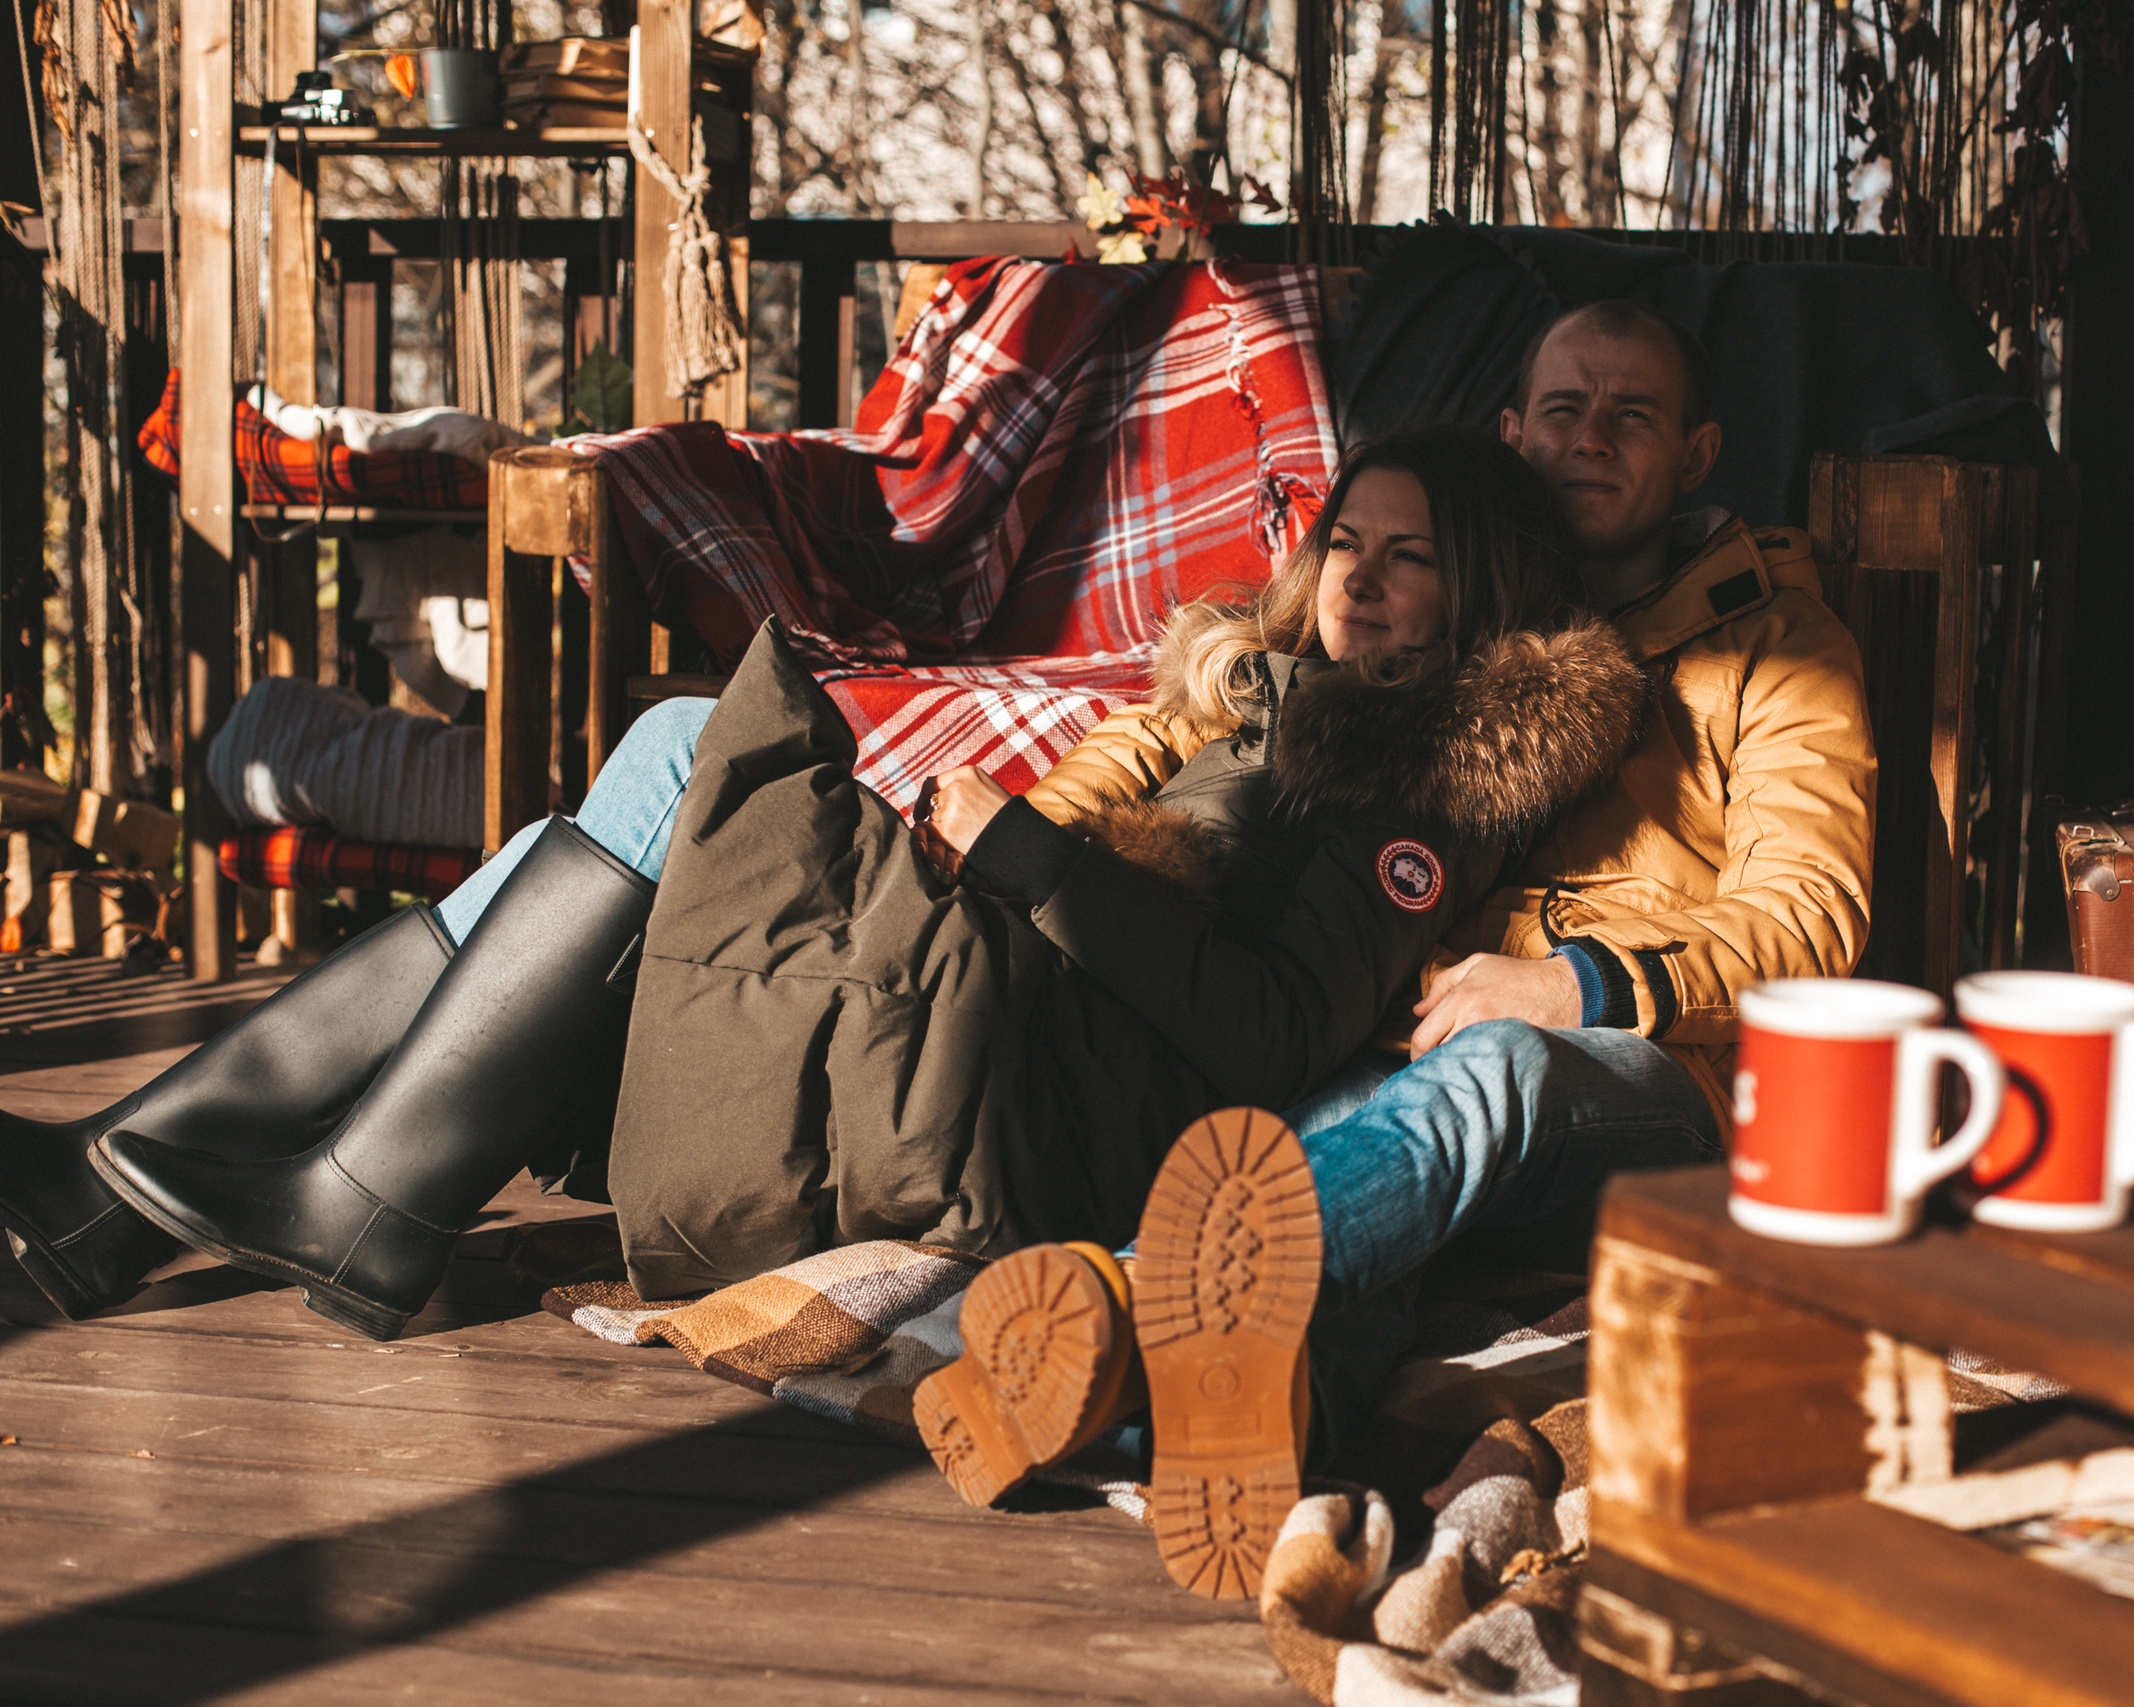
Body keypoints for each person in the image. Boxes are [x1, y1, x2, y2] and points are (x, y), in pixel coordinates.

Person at [13, 428, 1644, 1350]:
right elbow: (1087, 822)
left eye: (1406, 555)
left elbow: (1281, 1031)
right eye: (1344, 539)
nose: (1356, 574)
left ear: (1473, 587)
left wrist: (1027, 860)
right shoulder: (1247, 698)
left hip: (1037, 1079)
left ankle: (219, 1174)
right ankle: (168, 1175)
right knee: (628, 818)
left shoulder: (1416, 785)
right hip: (995, 994)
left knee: (670, 751)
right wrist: (1010, 837)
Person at [913, 299, 1880, 1599]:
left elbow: (1809, 919)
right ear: (1511, 430)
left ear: (1697, 455)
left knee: (1499, 1079)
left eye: (1630, 417)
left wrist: (1575, 984)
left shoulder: (1778, 647)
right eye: (1562, 411)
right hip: (1407, 1051)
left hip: (1647, 1082)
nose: (1588, 439)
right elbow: (1198, 717)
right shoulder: (1444, 602)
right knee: (1328, 1197)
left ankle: (1112, 1310)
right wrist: (1025, 840)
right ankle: (1165, 1424)